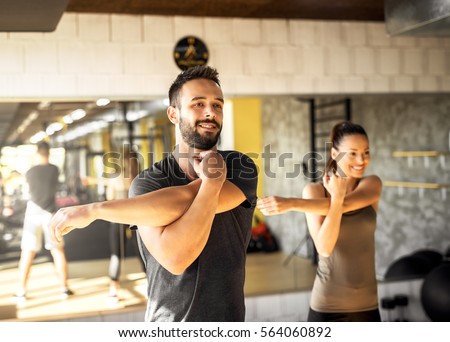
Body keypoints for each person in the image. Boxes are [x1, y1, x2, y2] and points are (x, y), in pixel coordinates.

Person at [48, 65, 258, 321]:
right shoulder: (149, 183)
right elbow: (175, 258)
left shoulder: (240, 166)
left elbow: (181, 200)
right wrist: (212, 184)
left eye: (217, 105)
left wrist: (96, 210)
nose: (210, 112)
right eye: (198, 104)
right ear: (173, 114)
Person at [257, 121, 382, 322]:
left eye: (366, 152)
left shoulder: (372, 184)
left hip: (368, 306)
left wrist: (291, 203)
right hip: (328, 306)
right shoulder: (314, 191)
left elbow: (347, 205)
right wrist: (336, 198)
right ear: (334, 154)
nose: (362, 159)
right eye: (352, 153)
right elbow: (324, 248)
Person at [14, 141, 73, 300]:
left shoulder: (30, 171)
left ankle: (21, 290)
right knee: (58, 251)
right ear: (48, 152)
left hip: (33, 212)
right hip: (50, 213)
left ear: (37, 153)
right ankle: (64, 288)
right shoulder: (54, 169)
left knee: (27, 252)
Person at [104, 150, 141, 302]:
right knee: (143, 252)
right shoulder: (140, 176)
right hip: (136, 217)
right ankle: (153, 284)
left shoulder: (116, 176)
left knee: (116, 254)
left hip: (118, 217)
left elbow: (109, 197)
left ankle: (113, 289)